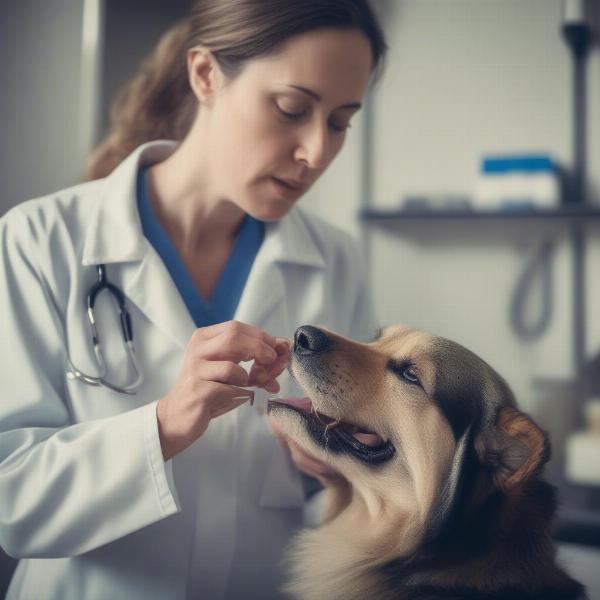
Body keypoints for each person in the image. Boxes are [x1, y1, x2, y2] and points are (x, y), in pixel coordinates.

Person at [0, 1, 386, 598]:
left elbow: (359, 501)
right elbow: (11, 499)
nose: (316, 152)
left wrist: (338, 465)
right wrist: (164, 424)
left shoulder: (337, 261)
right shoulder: (38, 241)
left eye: (339, 122)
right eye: (291, 109)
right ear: (205, 74)